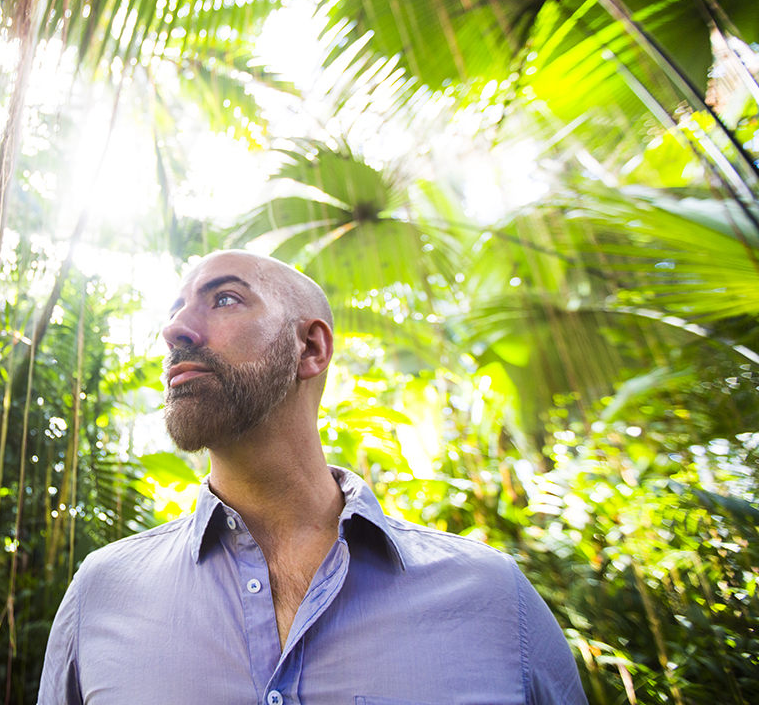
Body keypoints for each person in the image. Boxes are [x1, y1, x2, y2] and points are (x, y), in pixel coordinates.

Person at [39, 250, 587, 704]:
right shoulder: (101, 593)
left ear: (311, 347)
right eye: (177, 310)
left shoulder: (493, 599)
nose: (175, 329)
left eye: (224, 299)